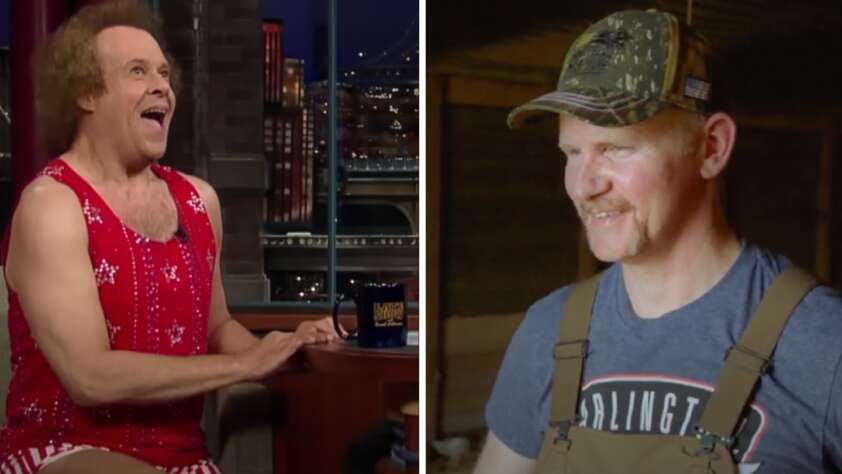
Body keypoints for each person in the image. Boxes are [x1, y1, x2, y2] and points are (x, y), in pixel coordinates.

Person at [475, 9, 842, 474]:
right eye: (571, 152)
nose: (584, 186)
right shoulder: (547, 333)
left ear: (711, 148)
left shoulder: (823, 345)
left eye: (616, 148)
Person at [0, 1, 336, 472]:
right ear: (85, 93)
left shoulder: (200, 201)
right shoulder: (51, 206)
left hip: (183, 457)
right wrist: (244, 366)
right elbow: (90, 377)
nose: (162, 86)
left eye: (164, 72)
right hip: (63, 449)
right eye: (138, 72)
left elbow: (218, 331)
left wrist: (287, 345)